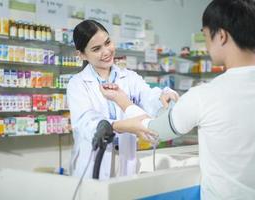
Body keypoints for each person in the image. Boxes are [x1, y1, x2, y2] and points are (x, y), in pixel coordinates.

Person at [100, 0, 255, 199]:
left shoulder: (204, 95)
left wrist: (123, 102)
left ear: (221, 36)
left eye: (205, 36)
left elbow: (156, 130)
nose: (206, 45)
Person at [67, 19, 178, 180]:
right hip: (93, 162)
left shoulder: (129, 77)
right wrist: (121, 126)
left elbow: (147, 96)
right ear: (82, 54)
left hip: (126, 159)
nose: (106, 51)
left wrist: (162, 96)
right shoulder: (77, 84)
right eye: (97, 49)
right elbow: (86, 122)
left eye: (108, 42)